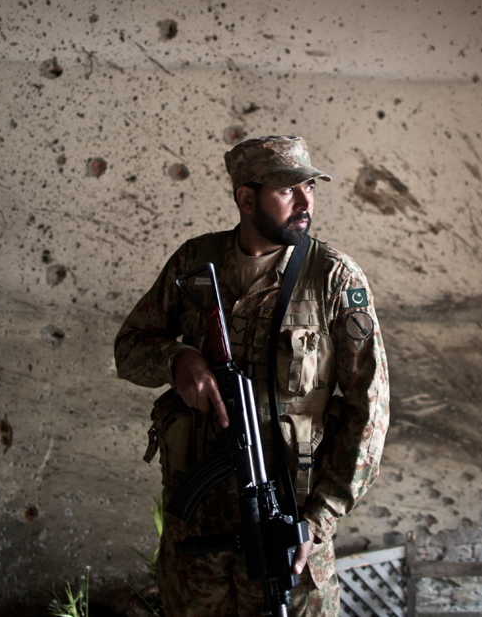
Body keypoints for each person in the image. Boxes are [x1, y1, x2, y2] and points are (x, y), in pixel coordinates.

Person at [115, 135, 390, 617]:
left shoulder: (335, 280)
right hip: (197, 541)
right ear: (246, 198)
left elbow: (371, 411)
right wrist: (175, 359)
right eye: (287, 190)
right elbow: (129, 350)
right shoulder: (194, 263)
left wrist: (318, 520)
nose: (306, 202)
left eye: (310, 187)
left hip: (289, 531)